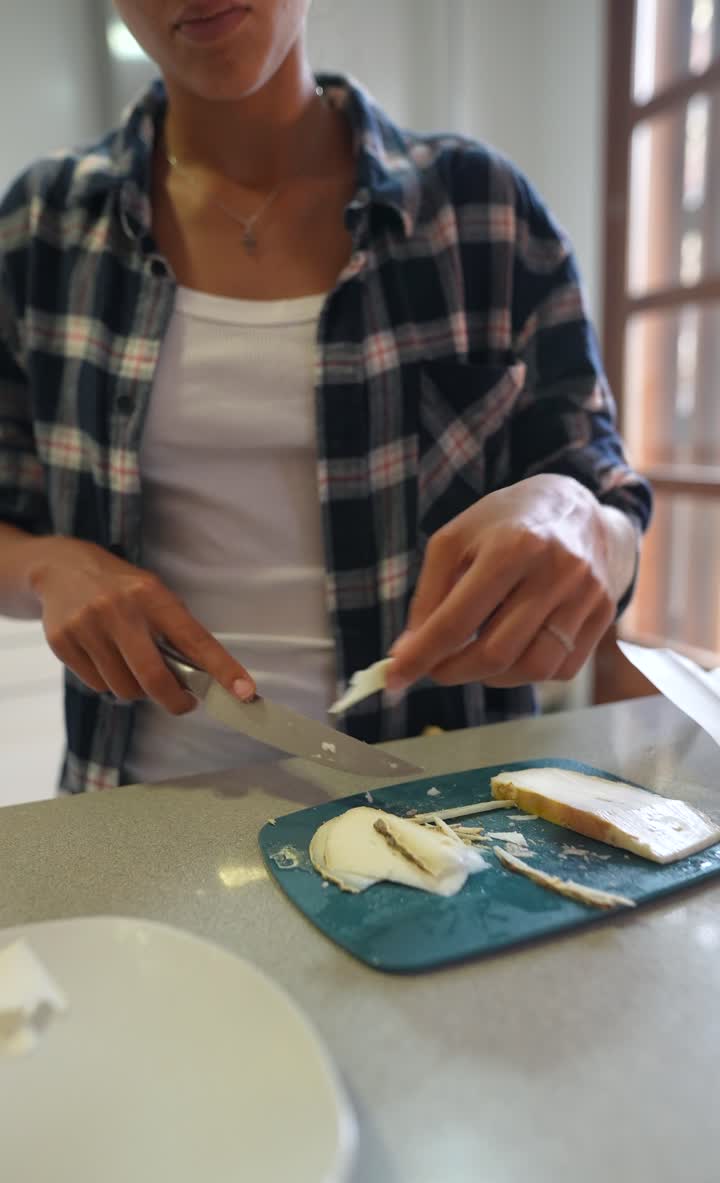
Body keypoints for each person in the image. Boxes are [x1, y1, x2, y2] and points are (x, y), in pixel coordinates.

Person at [0, 0, 651, 794]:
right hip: (138, 816)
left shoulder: (483, 208)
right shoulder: (41, 230)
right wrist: (47, 567)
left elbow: (607, 502)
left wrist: (581, 521)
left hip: (443, 821)